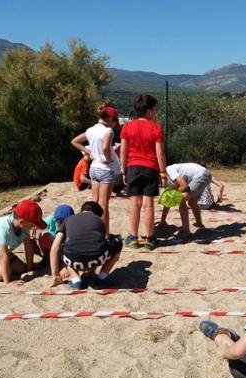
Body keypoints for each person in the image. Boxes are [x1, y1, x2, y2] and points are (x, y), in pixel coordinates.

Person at [120, 94, 167, 250]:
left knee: (135, 204)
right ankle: (150, 239)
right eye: (155, 109)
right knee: (148, 205)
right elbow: (160, 153)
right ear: (148, 110)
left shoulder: (127, 127)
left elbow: (123, 151)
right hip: (151, 168)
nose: (156, 112)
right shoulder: (157, 128)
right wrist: (163, 173)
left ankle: (133, 238)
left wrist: (123, 170)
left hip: (133, 167)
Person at [72, 104, 122, 236]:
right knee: (104, 205)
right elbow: (106, 147)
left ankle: (91, 231)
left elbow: (75, 141)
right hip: (105, 168)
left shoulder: (91, 130)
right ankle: (105, 234)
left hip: (94, 167)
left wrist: (88, 151)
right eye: (115, 121)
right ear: (111, 119)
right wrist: (107, 158)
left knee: (94, 202)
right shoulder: (108, 131)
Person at [51, 201, 122, 289]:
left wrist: (55, 275)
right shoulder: (100, 221)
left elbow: (54, 248)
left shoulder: (68, 219)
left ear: (82, 211)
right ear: (98, 215)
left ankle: (75, 279)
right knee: (117, 241)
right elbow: (99, 244)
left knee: (63, 246)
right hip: (97, 258)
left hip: (72, 258)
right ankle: (101, 277)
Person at [158, 163, 213, 239]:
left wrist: (173, 196)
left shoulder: (169, 170)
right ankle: (199, 224)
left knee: (181, 199)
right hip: (203, 175)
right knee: (192, 202)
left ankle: (186, 231)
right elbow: (168, 202)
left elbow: (184, 185)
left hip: (201, 175)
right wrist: (162, 221)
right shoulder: (165, 180)